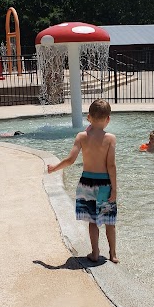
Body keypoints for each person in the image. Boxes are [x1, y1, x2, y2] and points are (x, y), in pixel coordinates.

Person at [47, 99, 118, 263]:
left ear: (88, 117)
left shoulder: (81, 136)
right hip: (104, 184)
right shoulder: (110, 139)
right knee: (109, 222)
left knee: (93, 222)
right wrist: (114, 189)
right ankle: (113, 254)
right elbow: (111, 165)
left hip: (86, 183)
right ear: (108, 119)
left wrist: (55, 168)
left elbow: (71, 160)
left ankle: (94, 252)